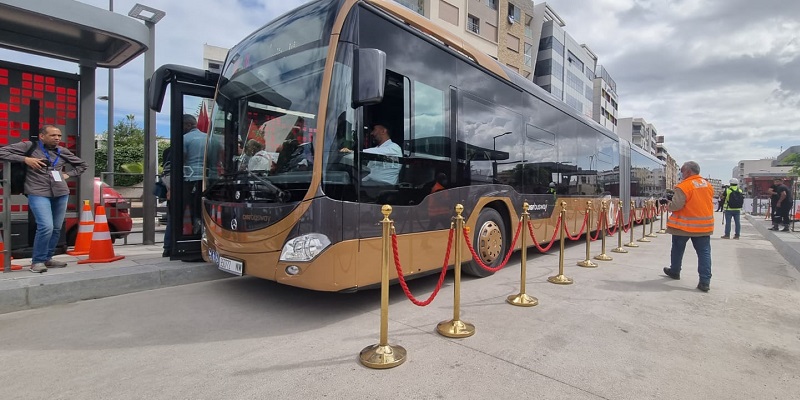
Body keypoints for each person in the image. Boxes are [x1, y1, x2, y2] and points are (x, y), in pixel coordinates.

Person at [0, 125, 87, 273]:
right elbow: (2, 152)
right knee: (46, 226)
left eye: (59, 136)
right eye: (53, 135)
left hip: (60, 192)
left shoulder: (62, 151)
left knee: (56, 228)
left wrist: (68, 174)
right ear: (42, 136)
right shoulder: (29, 146)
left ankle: (48, 258)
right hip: (37, 192)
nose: (57, 138)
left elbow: (82, 165)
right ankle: (38, 261)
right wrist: (25, 159)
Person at [661, 161, 714, 292]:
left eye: (682, 171)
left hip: (683, 227)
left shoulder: (684, 186)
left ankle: (675, 271)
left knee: (678, 250)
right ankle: (705, 282)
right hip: (703, 227)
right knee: (704, 253)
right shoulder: (707, 185)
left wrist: (668, 205)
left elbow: (676, 205)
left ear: (689, 172)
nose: (681, 174)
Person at [183, 114, 206, 235]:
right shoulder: (208, 138)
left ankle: (195, 227)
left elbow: (181, 159)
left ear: (187, 125)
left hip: (190, 179)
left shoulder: (185, 138)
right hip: (207, 179)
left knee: (191, 207)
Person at [160, 146, 172, 257]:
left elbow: (165, 172)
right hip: (177, 189)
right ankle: (168, 247)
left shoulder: (167, 150)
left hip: (170, 190)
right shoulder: (175, 149)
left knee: (172, 218)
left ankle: (167, 247)